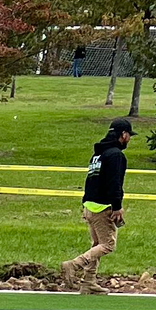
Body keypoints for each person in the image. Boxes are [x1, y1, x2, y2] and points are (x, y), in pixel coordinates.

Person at [61, 118, 132, 292]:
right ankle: (74, 265)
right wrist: (117, 206)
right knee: (107, 245)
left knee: (96, 245)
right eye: (129, 135)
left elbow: (91, 179)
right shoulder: (116, 155)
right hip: (103, 206)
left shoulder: (98, 155)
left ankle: (88, 282)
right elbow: (115, 182)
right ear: (123, 135)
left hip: (90, 205)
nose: (129, 139)